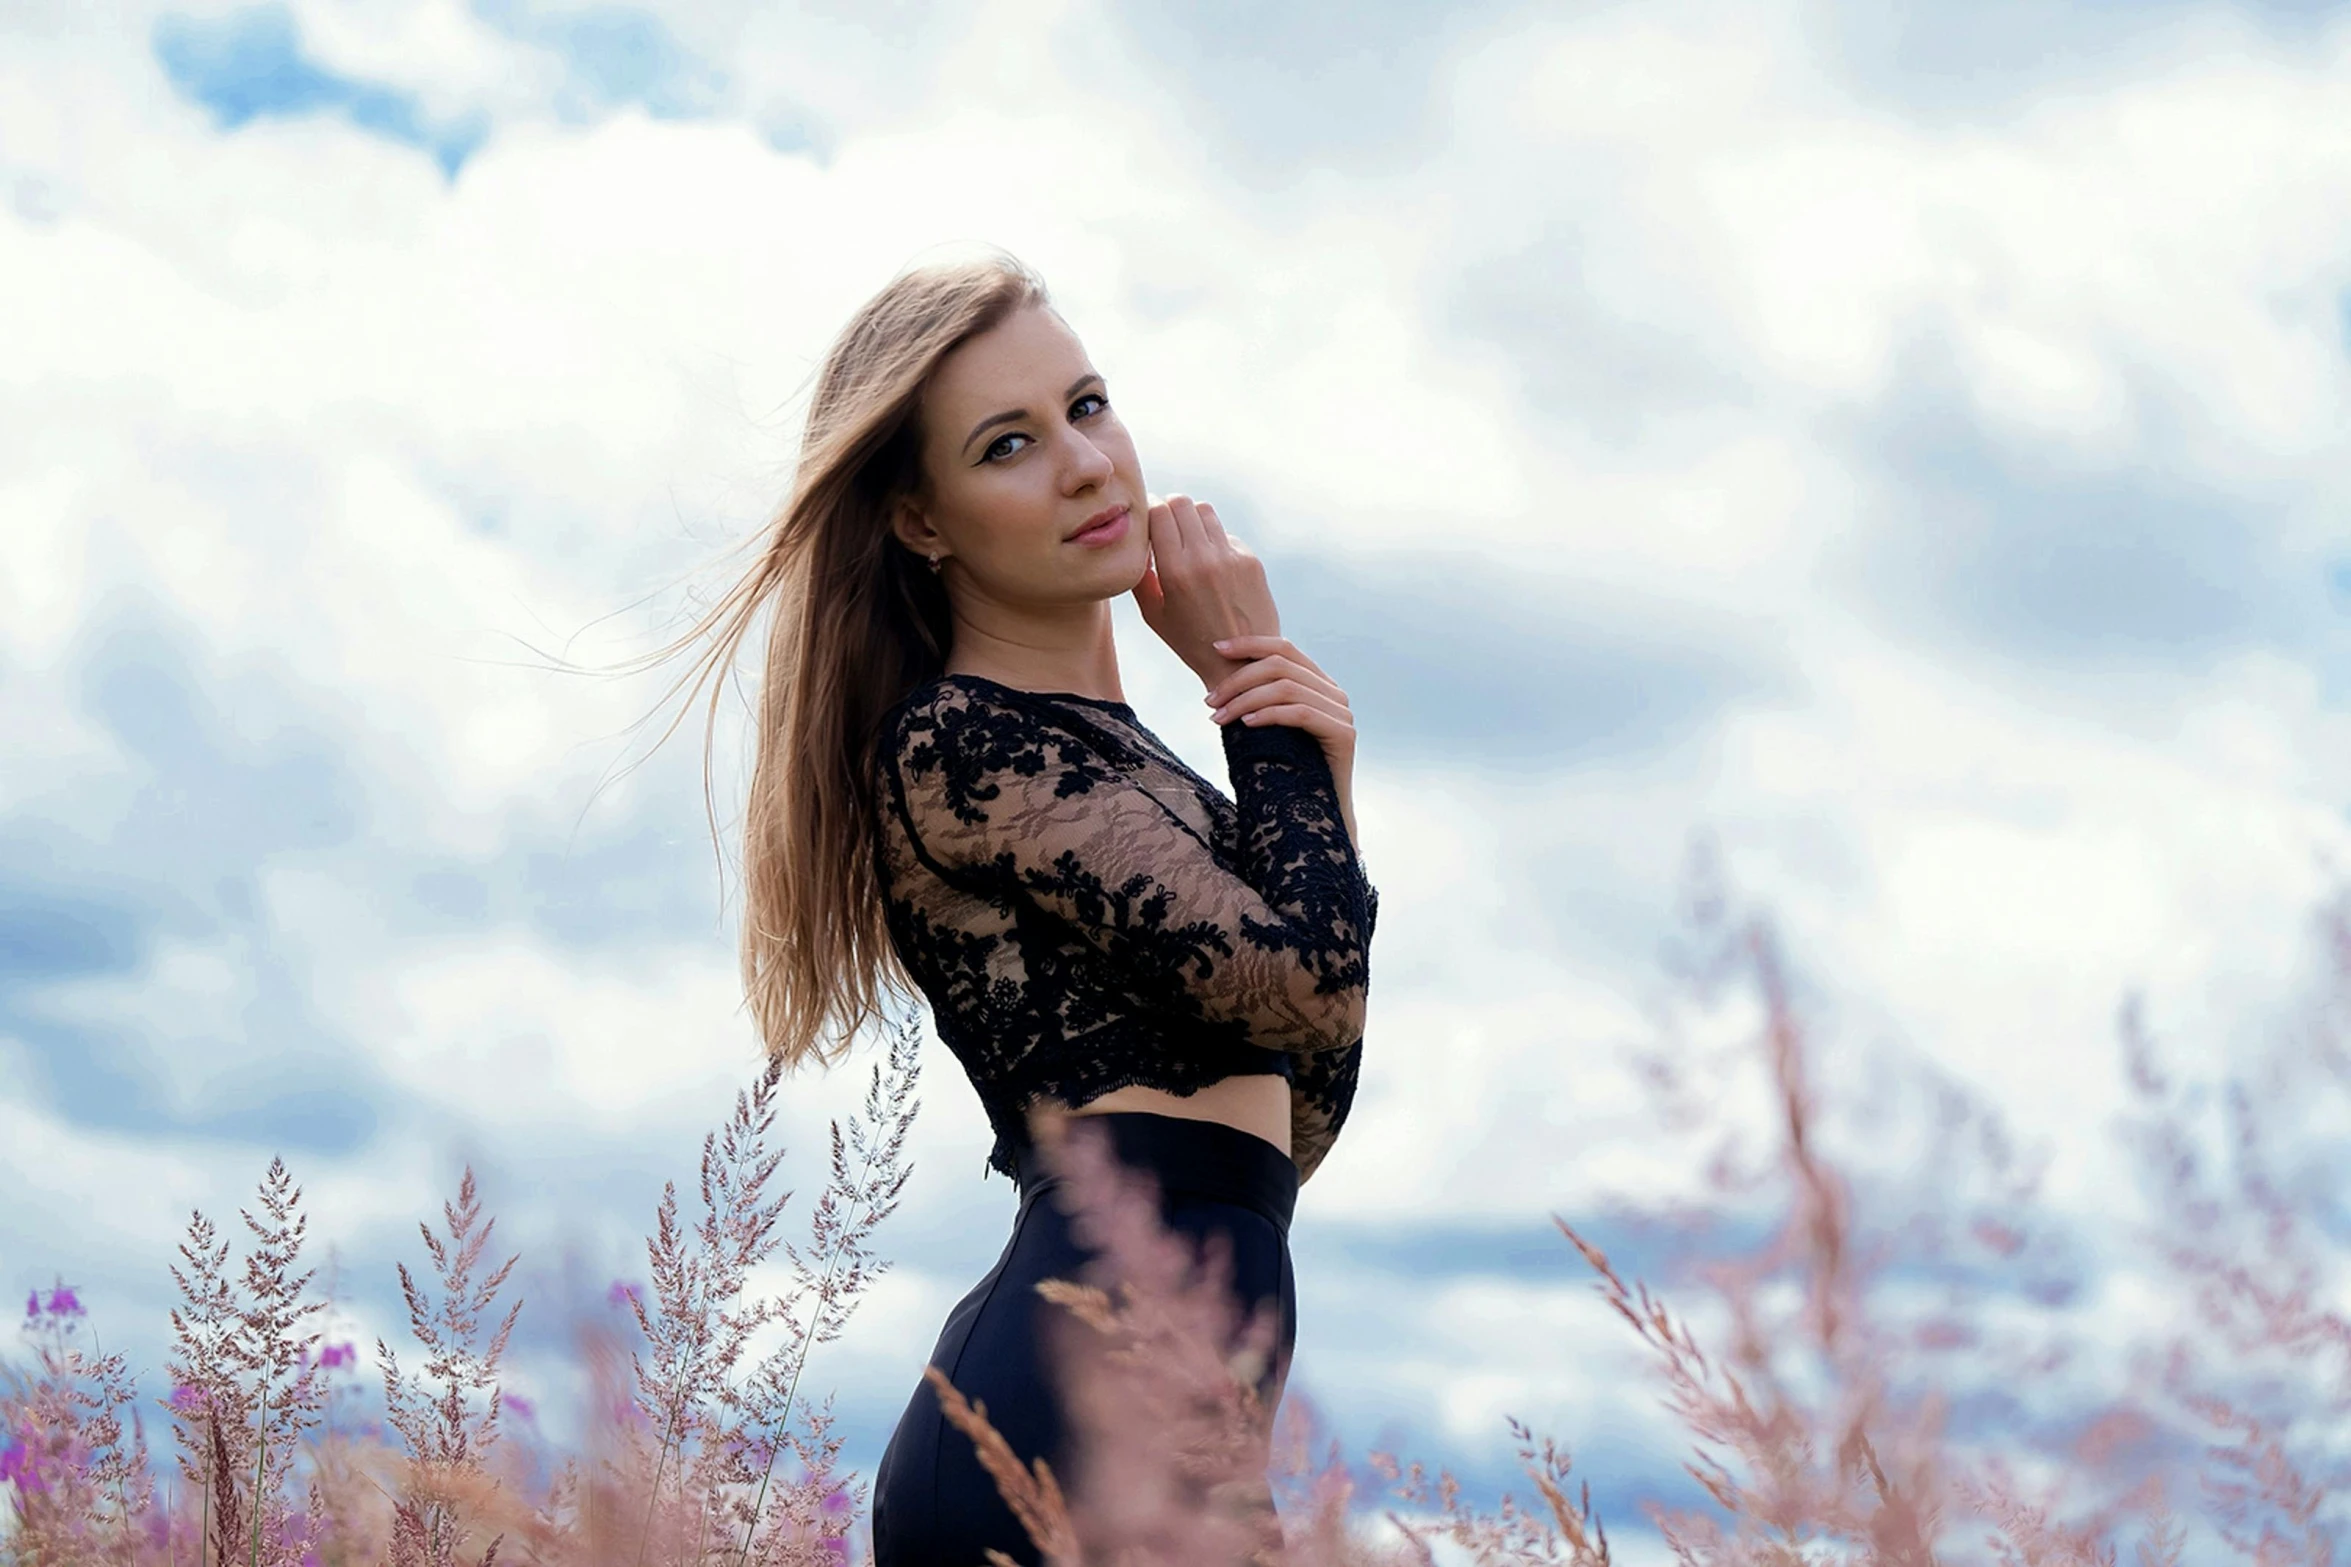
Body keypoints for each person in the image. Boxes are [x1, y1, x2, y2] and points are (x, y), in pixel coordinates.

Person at [656, 250, 1377, 1563]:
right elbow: (1305, 985)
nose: (1087, 464)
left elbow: (1296, 1113)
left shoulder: (1137, 773)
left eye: (1087, 405)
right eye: (1007, 444)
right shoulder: (966, 747)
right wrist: (1266, 729)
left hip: (1178, 1400)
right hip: (1059, 1417)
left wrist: (1300, 778)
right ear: (921, 521)